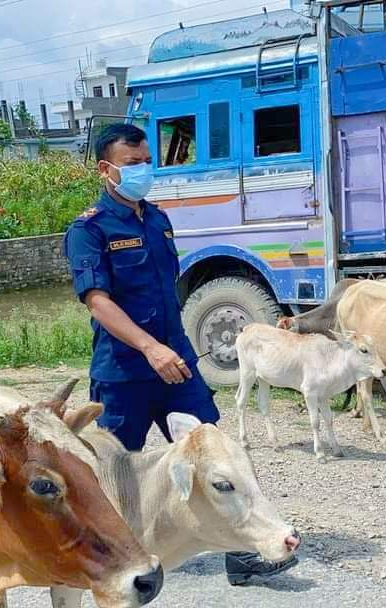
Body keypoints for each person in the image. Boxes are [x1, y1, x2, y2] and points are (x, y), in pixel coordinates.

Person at [64, 123, 298, 586]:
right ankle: (113, 564)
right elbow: (98, 301)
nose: (143, 170)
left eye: (146, 161)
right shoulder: (88, 230)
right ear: (105, 168)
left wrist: (173, 350)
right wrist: (149, 348)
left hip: (177, 365)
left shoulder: (156, 219)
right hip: (124, 372)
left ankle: (243, 551)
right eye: (132, 164)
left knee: (216, 454)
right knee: (113, 473)